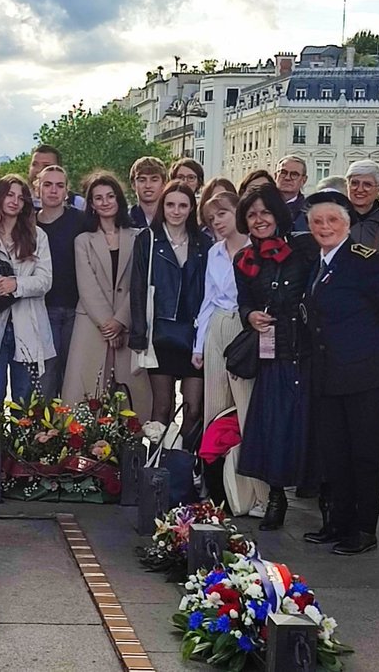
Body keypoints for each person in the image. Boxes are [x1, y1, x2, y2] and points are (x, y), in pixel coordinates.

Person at [302, 190, 379, 555]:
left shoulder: (365, 260)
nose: (324, 227)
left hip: (365, 372)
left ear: (347, 225)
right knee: (334, 452)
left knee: (364, 452)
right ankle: (337, 522)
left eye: (332, 220)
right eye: (317, 221)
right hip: (330, 373)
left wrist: (366, 333)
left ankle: (364, 528)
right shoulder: (317, 260)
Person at [232, 184, 319, 532]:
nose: (259, 220)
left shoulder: (304, 246)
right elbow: (243, 302)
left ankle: (321, 493)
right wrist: (250, 315)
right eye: (252, 215)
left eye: (265, 212)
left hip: (308, 347)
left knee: (310, 423)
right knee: (274, 424)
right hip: (272, 349)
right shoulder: (245, 259)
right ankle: (276, 496)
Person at [193, 191, 265, 515]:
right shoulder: (214, 252)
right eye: (211, 218)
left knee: (249, 412)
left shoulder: (259, 250)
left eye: (221, 214)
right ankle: (219, 492)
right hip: (218, 328)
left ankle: (257, 495)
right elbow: (208, 299)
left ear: (238, 212)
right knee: (215, 412)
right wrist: (199, 345)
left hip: (247, 329)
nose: (217, 222)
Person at [62, 172, 150, 412]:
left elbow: (139, 283)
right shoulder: (83, 240)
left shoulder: (139, 237)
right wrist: (107, 325)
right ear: (91, 204)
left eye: (110, 196)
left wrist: (121, 321)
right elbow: (87, 285)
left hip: (129, 323)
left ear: (119, 199)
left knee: (130, 401)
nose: (105, 202)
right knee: (85, 396)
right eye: (98, 198)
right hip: (91, 324)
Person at [131, 180, 211, 434]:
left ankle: (186, 466)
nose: (176, 211)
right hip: (161, 333)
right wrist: (140, 334)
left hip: (194, 335)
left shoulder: (203, 243)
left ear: (191, 209)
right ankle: (158, 467)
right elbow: (138, 289)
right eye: (170, 204)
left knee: (193, 407)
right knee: (162, 407)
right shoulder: (148, 239)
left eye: (183, 205)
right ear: (162, 206)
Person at [0, 175, 53, 406]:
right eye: (9, 195)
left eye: (21, 197)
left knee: (24, 403)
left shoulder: (36, 235)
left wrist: (16, 284)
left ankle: (20, 443)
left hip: (27, 323)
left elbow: (44, 280)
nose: (14, 201)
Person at [36, 165, 87, 400]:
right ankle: (42, 432)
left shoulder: (80, 220)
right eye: (47, 184)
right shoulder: (29, 224)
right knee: (45, 374)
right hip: (42, 309)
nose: (53, 191)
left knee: (73, 374)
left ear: (67, 191)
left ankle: (69, 432)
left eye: (59, 185)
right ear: (38, 188)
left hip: (76, 308)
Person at [28, 145, 85, 210]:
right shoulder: (20, 201)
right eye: (34, 164)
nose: (38, 170)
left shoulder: (78, 204)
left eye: (46, 165)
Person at [129, 156, 167, 228]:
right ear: (133, 185)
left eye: (154, 180)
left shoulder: (172, 219)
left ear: (164, 184)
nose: (148, 186)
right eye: (142, 180)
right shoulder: (125, 222)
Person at [274, 155, 308, 226]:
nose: (287, 178)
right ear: (275, 176)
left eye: (294, 174)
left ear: (304, 180)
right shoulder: (261, 205)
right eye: (283, 172)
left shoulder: (309, 212)